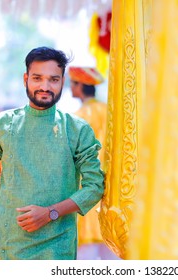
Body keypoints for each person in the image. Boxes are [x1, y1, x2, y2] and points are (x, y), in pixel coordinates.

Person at [0, 46, 105, 260]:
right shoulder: (1, 125)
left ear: (63, 81)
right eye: (37, 78)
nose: (45, 86)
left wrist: (51, 213)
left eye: (53, 79)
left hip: (57, 248)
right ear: (26, 79)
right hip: (6, 245)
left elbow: (95, 186)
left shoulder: (77, 130)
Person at [69, 66, 119, 260]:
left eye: (72, 84)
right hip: (111, 181)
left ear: (80, 86)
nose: (70, 88)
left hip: (87, 183)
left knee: (85, 252)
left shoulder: (78, 117)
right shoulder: (110, 110)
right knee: (114, 246)